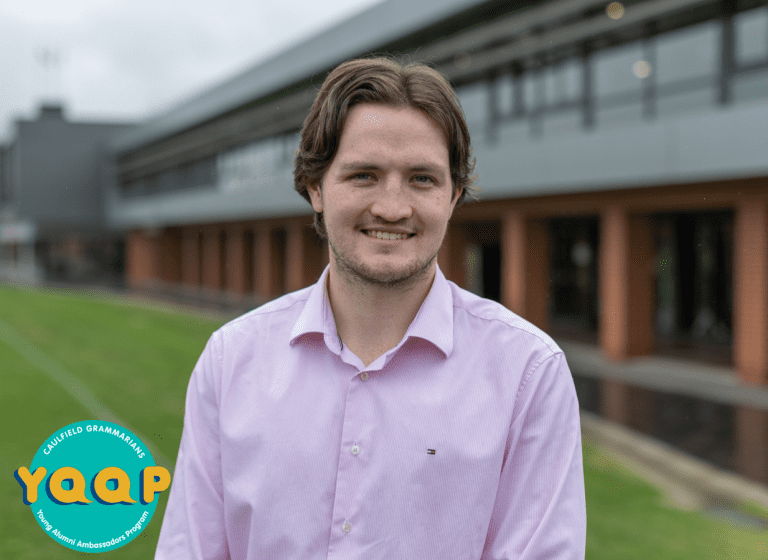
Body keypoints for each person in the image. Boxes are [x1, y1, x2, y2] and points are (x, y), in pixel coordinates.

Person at [155, 57, 586, 559]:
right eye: (364, 175)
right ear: (315, 187)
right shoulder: (231, 360)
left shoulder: (528, 373)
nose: (392, 207)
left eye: (422, 179)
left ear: (454, 196)